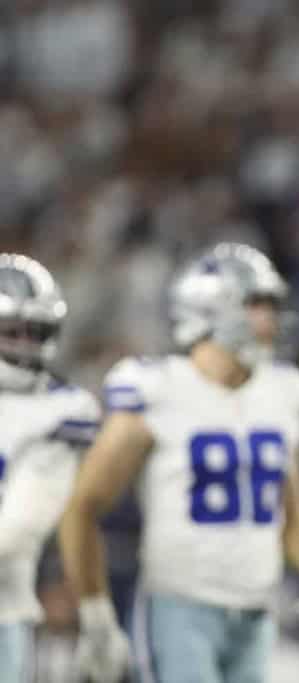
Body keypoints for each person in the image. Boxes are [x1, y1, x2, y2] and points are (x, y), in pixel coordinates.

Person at [60, 243, 299, 683]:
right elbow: (83, 506)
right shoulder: (158, 389)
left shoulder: (283, 390)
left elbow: (290, 513)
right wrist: (95, 613)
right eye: (257, 305)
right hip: (180, 605)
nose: (270, 319)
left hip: (257, 611)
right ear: (214, 309)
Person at [0, 254, 100, 683]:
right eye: (13, 331)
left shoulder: (64, 409)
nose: (25, 343)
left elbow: (39, 521)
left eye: (35, 331)